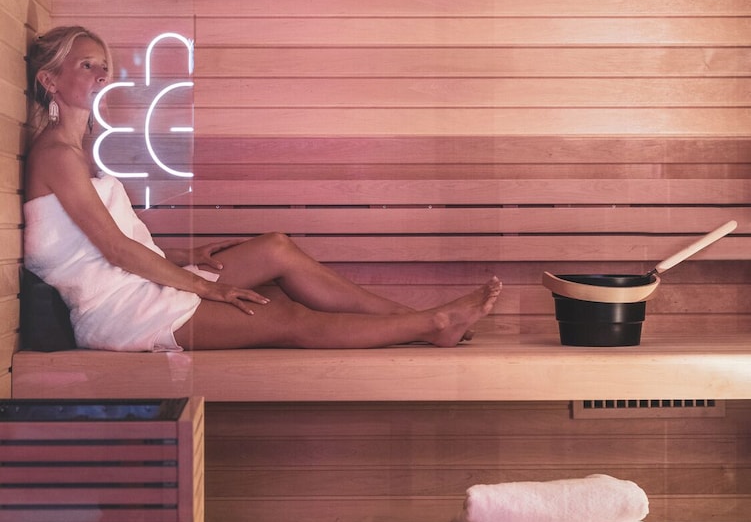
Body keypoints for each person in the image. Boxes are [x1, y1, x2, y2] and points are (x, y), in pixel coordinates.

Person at [23, 25, 501, 352]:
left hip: (141, 280)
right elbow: (115, 251)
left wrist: (185, 255)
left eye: (103, 65)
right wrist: (206, 287)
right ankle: (434, 323)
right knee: (287, 318)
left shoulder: (78, 151)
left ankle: (411, 321)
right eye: (86, 65)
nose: (102, 74)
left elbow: (104, 244)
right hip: (120, 309)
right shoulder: (57, 155)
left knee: (276, 247)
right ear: (49, 80)